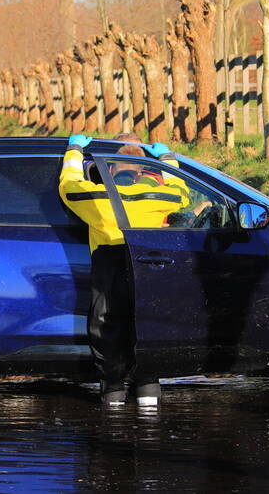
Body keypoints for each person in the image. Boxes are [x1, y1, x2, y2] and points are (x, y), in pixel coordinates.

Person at [59, 134, 189, 407]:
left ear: (110, 169)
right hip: (148, 264)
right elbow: (182, 192)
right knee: (147, 324)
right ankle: (148, 390)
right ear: (141, 171)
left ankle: (113, 392)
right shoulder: (159, 195)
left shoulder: (96, 196)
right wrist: (167, 160)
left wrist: (74, 151)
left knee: (106, 326)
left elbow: (68, 185)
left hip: (109, 261)